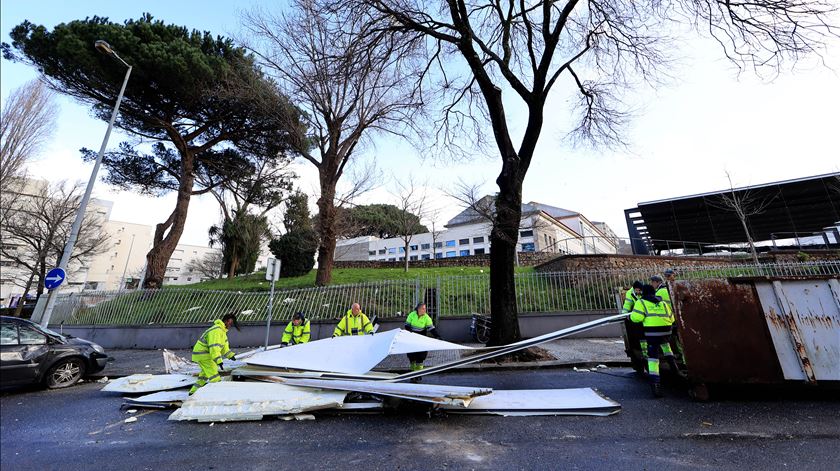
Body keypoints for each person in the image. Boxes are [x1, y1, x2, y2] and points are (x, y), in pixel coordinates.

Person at [630, 285, 677, 398]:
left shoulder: (641, 302)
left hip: (652, 334)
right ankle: (674, 366)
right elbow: (672, 318)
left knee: (653, 356)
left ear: (643, 293)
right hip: (667, 333)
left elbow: (636, 318)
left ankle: (655, 384)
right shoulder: (663, 303)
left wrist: (632, 315)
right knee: (665, 345)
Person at [189, 313, 239, 395]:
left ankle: (193, 391)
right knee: (214, 376)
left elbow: (224, 348)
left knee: (204, 375)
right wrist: (218, 361)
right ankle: (218, 393)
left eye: (232, 324)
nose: (230, 325)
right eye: (230, 323)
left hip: (204, 354)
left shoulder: (222, 332)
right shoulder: (216, 330)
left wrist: (230, 355)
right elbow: (214, 347)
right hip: (203, 354)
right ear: (226, 321)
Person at [403, 302, 441, 372]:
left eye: (425, 308)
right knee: (412, 357)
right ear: (418, 309)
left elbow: (431, 329)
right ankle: (412, 373)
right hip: (411, 338)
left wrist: (437, 336)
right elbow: (407, 325)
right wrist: (410, 331)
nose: (425, 310)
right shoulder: (412, 315)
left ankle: (418, 374)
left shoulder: (427, 317)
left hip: (421, 338)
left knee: (420, 357)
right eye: (423, 308)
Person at [622, 281, 647, 363]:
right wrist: (624, 315)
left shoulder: (643, 291)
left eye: (640, 290)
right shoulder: (629, 294)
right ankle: (641, 350)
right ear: (634, 289)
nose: (639, 292)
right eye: (638, 290)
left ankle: (644, 351)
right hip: (637, 314)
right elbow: (627, 305)